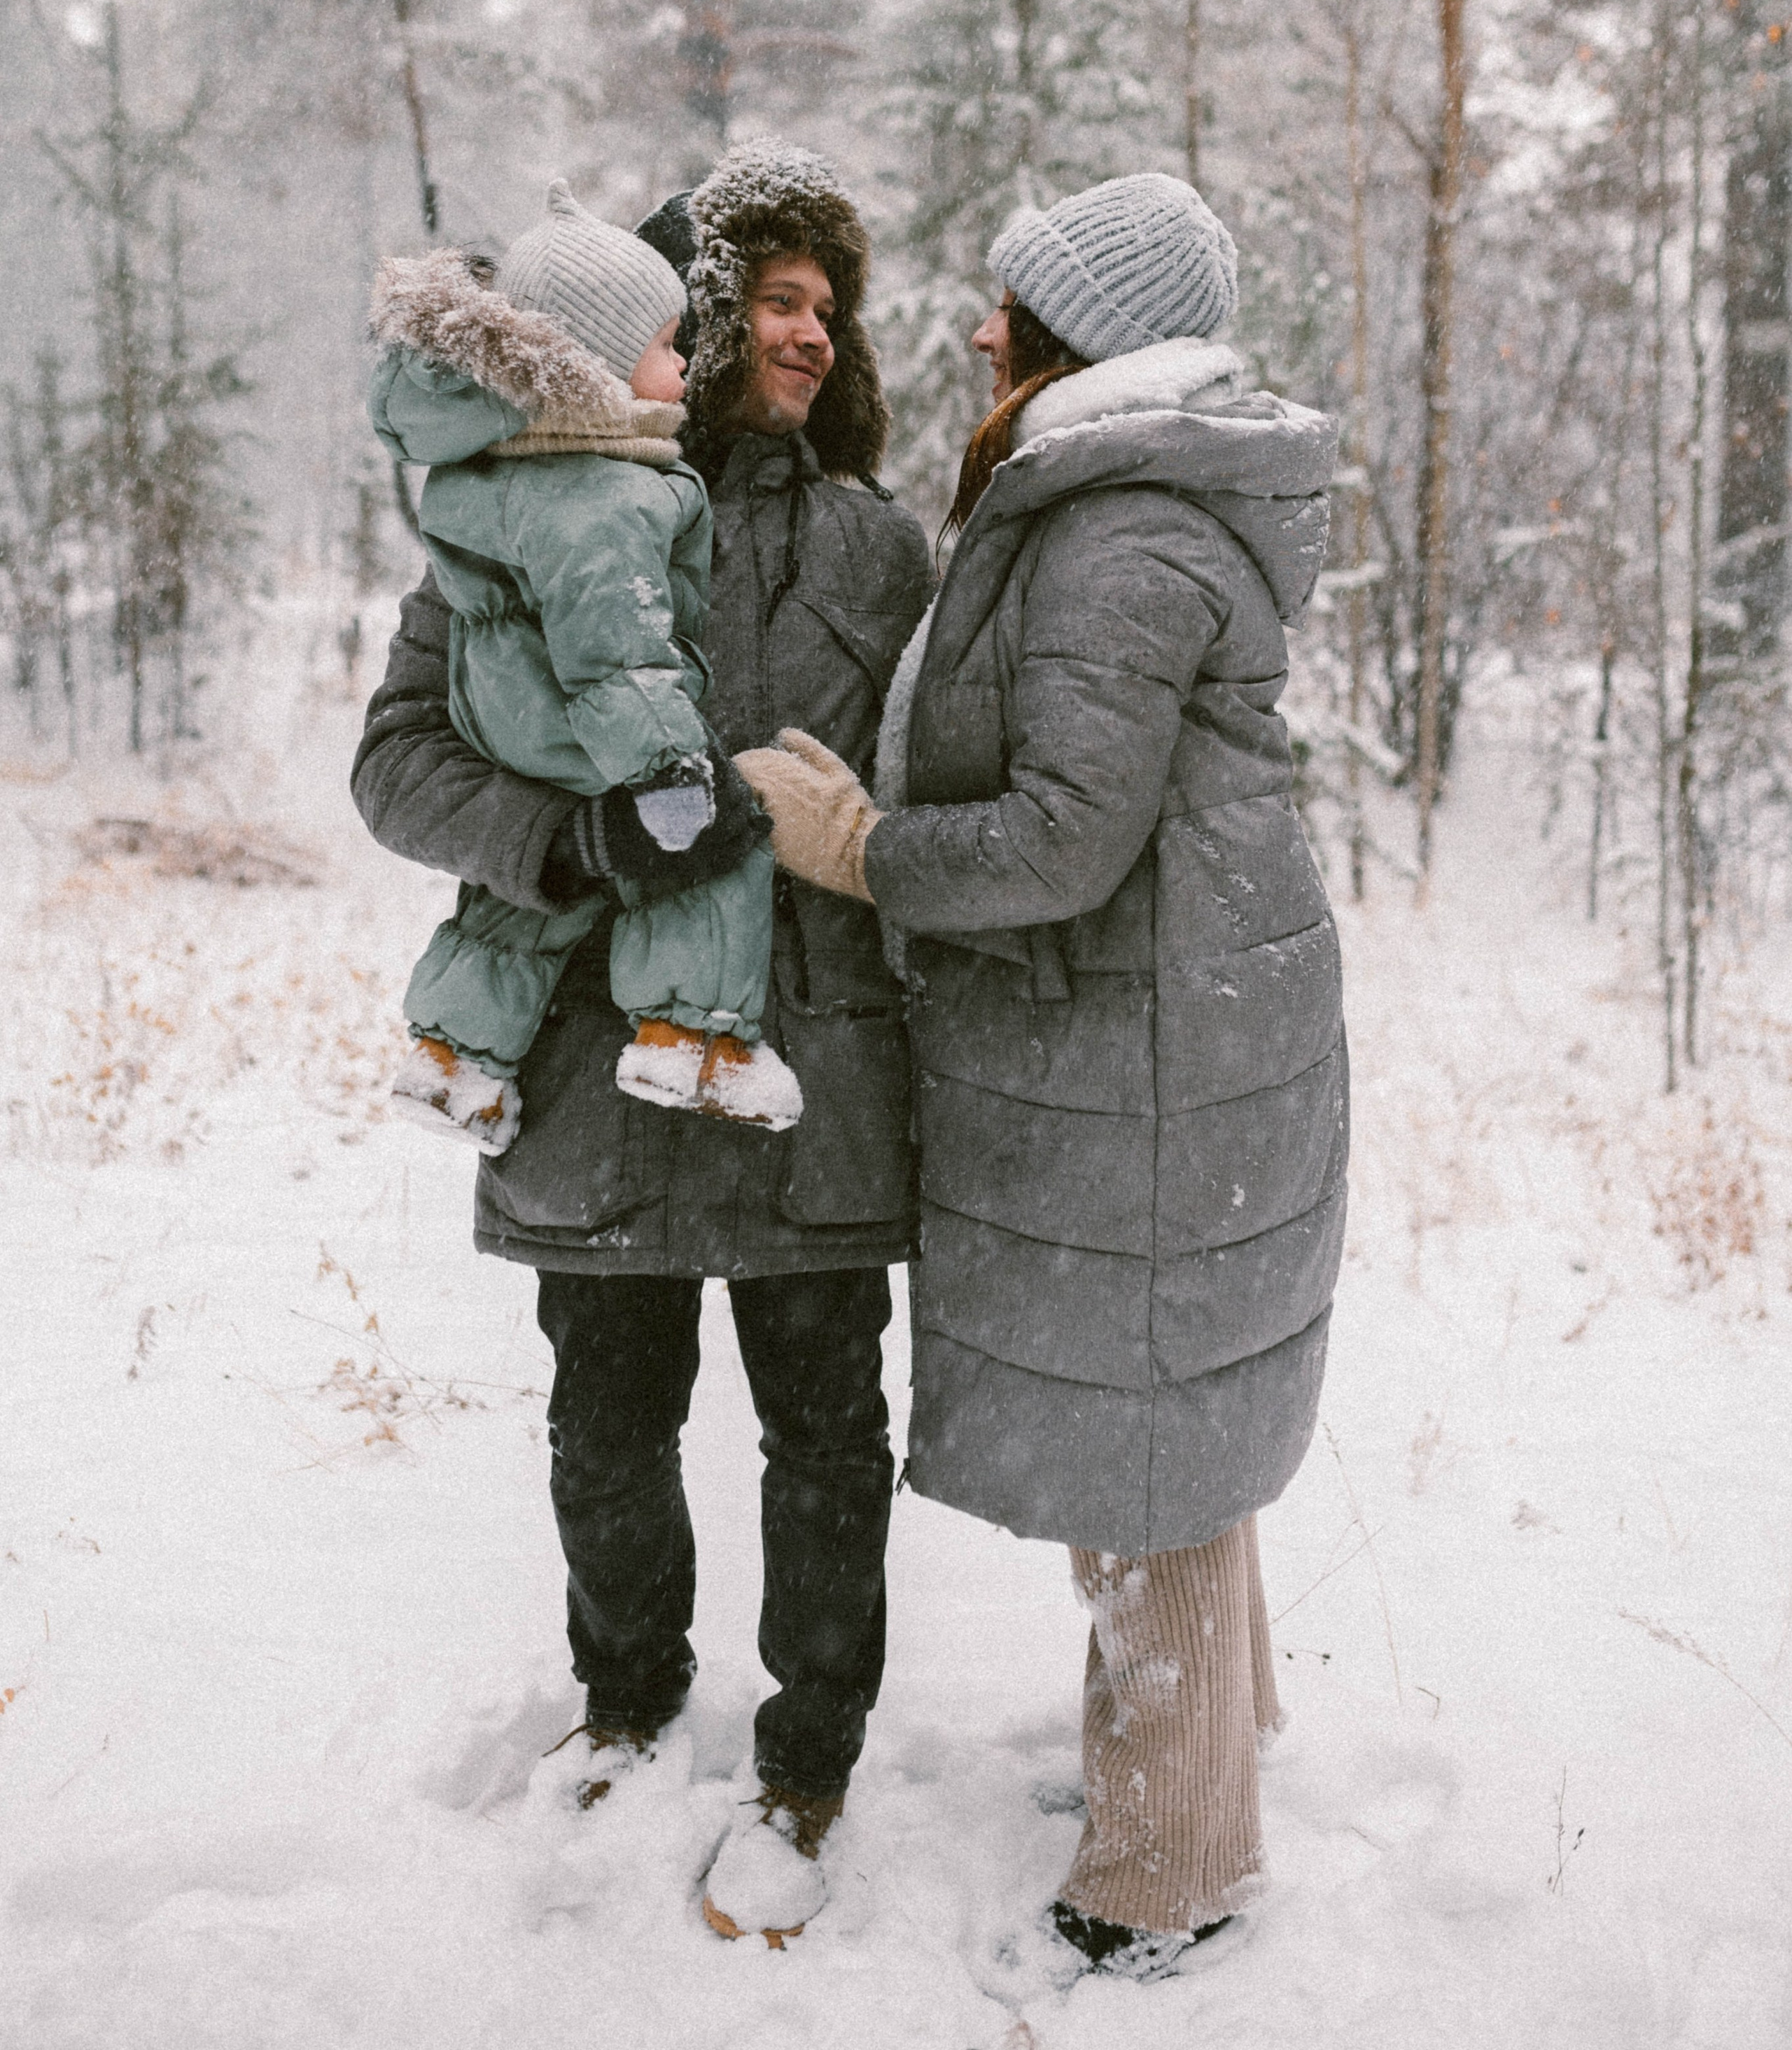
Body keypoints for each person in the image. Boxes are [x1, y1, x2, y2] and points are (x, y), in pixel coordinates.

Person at [739, 171, 1349, 1981]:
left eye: (1013, 305)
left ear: (1082, 333)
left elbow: (1068, 839)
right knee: (1164, 1428)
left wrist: (860, 851)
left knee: (1151, 1455)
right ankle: (1214, 1750)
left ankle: (1168, 1867)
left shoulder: (1122, 539)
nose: (980, 329)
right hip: (1147, 1042)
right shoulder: (1103, 509)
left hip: (1152, 1054)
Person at [350, 141, 933, 1945]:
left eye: (827, 308)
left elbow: (941, 796)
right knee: (609, 1422)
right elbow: (395, 763)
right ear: (687, 310)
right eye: (773, 300)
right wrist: (565, 837)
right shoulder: (527, 500)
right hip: (598, 1060)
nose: (808, 336)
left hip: (810, 1069)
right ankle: (621, 1709)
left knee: (827, 1435)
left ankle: (809, 1759)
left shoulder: (881, 542)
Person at [369, 179, 801, 1146]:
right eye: (668, 345)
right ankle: (694, 1038)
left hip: (521, 718)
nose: (685, 364)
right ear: (601, 363)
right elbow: (619, 651)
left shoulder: (511, 469)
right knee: (716, 851)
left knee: (514, 911)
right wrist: (666, 769)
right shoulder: (607, 491)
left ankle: (454, 1056)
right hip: (587, 716)